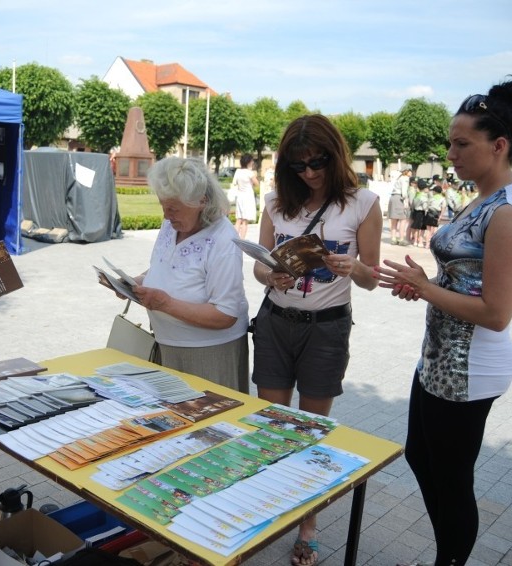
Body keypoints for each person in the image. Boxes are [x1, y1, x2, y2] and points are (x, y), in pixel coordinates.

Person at [375, 76, 512, 566]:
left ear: (499, 145)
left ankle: (449, 559)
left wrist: (428, 289)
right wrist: (426, 282)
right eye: (450, 141)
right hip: (441, 359)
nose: (451, 152)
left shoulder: (509, 210)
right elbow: (464, 279)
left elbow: (495, 312)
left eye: (462, 143)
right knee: (421, 457)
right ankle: (449, 552)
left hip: (470, 367)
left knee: (450, 478)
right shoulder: (482, 198)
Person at [249, 114, 382, 566]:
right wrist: (272, 275)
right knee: (273, 424)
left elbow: (371, 278)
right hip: (274, 322)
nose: (308, 173)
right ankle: (272, 506)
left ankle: (308, 521)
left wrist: (352, 267)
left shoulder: (363, 203)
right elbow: (259, 265)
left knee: (311, 430)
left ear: (335, 156)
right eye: (298, 165)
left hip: (326, 328)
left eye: (317, 162)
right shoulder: (276, 202)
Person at [130, 157, 250, 393]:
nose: (166, 216)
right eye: (163, 207)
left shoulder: (223, 238)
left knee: (208, 424)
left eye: (173, 209)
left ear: (200, 202)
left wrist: (165, 304)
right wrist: (133, 283)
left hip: (209, 353)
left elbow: (225, 314)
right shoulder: (173, 225)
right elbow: (165, 267)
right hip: (167, 346)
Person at [231, 154, 259, 238]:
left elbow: (235, 183)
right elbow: (257, 184)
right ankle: (242, 239)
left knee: (238, 219)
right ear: (249, 162)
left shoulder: (238, 172)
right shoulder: (250, 173)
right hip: (248, 197)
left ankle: (234, 238)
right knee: (245, 221)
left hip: (240, 196)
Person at [388, 169, 411, 245]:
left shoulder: (399, 178)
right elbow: (404, 192)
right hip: (400, 198)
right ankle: (401, 239)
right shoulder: (405, 178)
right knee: (403, 219)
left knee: (393, 220)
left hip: (393, 197)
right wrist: (406, 202)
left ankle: (393, 238)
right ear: (407, 172)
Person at [409, 179, 430, 247]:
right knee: (422, 228)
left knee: (416, 227)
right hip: (422, 213)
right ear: (424, 188)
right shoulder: (424, 196)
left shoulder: (417, 195)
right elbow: (425, 206)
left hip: (416, 212)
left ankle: (415, 241)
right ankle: (420, 242)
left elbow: (412, 204)